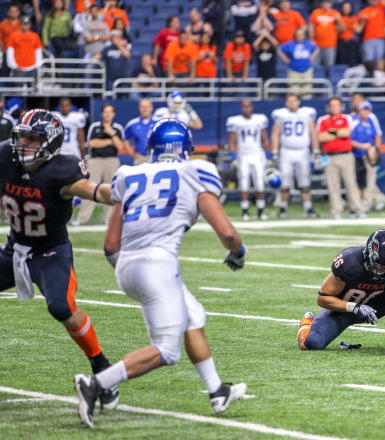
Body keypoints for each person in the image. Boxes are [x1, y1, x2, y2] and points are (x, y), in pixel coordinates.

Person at [75, 119, 247, 428]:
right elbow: (229, 233)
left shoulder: (130, 174)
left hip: (127, 264)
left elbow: (110, 245)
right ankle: (97, 384)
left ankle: (217, 391)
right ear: (185, 147)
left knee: (193, 316)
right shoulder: (194, 172)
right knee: (167, 351)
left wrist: (135, 271)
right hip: (157, 265)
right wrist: (238, 253)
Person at [1, 109, 119, 407]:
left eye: (33, 138)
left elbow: (96, 192)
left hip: (50, 252)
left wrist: (122, 192)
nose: (24, 143)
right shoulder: (5, 156)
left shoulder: (62, 171)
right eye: (22, 136)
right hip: (14, 248)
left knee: (62, 307)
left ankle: (101, 367)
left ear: (51, 143)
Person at [297, 230, 385, 351]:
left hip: (376, 304)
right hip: (344, 309)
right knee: (310, 344)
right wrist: (354, 307)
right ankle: (307, 323)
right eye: (381, 266)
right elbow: (323, 299)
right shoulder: (350, 262)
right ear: (371, 256)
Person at [271, 93, 320, 219]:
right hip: (286, 151)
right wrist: (275, 151)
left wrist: (315, 149)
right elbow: (275, 134)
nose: (292, 103)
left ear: (299, 102)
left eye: (294, 101)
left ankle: (308, 208)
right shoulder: (281, 114)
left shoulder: (306, 113)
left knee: (304, 181)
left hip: (302, 151)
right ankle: (283, 208)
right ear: (286, 103)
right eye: (289, 101)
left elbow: (313, 132)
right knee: (285, 182)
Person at [76, 104, 124, 225]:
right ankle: (82, 218)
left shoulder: (117, 128)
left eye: (110, 112)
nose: (108, 114)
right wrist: (110, 141)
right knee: (88, 189)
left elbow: (120, 146)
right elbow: (92, 144)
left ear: (114, 114)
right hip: (96, 160)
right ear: (102, 113)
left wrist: (111, 134)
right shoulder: (95, 126)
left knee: (112, 190)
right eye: (105, 112)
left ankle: (109, 219)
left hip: (112, 160)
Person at [317, 97, 364, 219]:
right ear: (328, 107)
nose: (334, 108)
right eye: (332, 105)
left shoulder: (346, 118)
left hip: (345, 155)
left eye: (337, 105)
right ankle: (336, 211)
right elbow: (321, 137)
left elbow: (347, 133)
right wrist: (338, 133)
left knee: (350, 183)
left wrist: (332, 132)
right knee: (333, 185)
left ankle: (356, 209)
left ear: (341, 106)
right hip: (329, 156)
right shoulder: (323, 120)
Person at [227, 100, 270, 221]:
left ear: (252, 107)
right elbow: (232, 139)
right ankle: (245, 210)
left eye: (248, 106)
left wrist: (267, 147)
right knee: (244, 182)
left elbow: (264, 135)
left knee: (259, 182)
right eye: (244, 106)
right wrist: (232, 151)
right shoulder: (235, 121)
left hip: (257, 154)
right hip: (243, 154)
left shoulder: (259, 119)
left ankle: (261, 210)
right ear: (241, 108)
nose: (246, 108)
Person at [350, 101, 380, 205]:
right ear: (359, 111)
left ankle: (367, 203)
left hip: (369, 156)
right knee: (357, 182)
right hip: (356, 156)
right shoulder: (353, 121)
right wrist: (363, 146)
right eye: (363, 110)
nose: (365, 113)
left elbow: (378, 135)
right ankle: (357, 202)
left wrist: (375, 151)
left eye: (367, 110)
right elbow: (348, 141)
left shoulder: (372, 120)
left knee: (370, 181)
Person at [277, 28, 318, 98]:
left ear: (304, 36)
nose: (300, 36)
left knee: (307, 91)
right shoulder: (290, 44)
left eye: (301, 35)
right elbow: (279, 49)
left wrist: (312, 58)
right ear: (295, 35)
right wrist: (286, 60)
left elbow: (316, 48)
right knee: (293, 92)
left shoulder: (308, 44)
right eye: (298, 35)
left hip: (307, 70)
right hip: (294, 70)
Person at [309, 0, 341, 75]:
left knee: (329, 66)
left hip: (330, 45)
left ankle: (328, 83)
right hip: (317, 45)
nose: (326, 5)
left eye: (328, 3)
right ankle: (316, 84)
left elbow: (341, 29)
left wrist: (338, 21)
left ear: (331, 4)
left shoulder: (335, 13)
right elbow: (311, 27)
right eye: (325, 3)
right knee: (315, 66)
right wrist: (312, 39)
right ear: (322, 4)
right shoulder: (316, 12)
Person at [124, 99, 156, 166]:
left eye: (147, 107)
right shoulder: (132, 123)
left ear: (151, 108)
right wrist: (132, 154)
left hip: (155, 157)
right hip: (140, 158)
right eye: (142, 107)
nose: (145, 109)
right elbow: (125, 139)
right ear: (139, 108)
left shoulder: (158, 122)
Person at [337, 1, 360, 66]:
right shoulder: (339, 18)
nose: (347, 9)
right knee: (342, 60)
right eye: (345, 7)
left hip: (351, 42)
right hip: (341, 41)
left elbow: (358, 30)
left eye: (348, 7)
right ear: (342, 8)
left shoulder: (353, 18)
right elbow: (339, 30)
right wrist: (346, 25)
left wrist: (363, 21)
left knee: (351, 60)